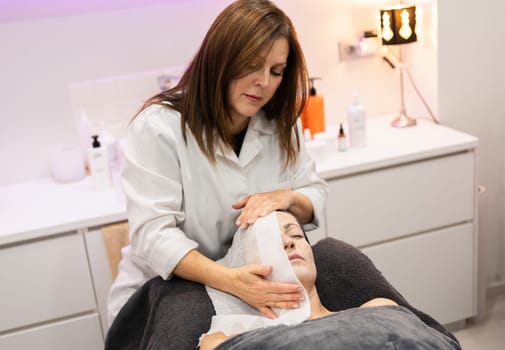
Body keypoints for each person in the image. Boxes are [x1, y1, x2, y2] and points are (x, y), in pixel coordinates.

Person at [107, 0, 328, 325]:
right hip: (170, 290)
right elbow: (153, 236)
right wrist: (231, 280)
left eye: (276, 71)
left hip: (260, 290)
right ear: (220, 59)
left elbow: (315, 192)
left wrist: (288, 198)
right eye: (252, 65)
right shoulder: (159, 128)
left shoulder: (281, 122)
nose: (264, 82)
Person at [200, 211, 461, 350]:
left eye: (297, 235)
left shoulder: (378, 307)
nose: (290, 241)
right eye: (270, 240)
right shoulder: (227, 337)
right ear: (246, 267)